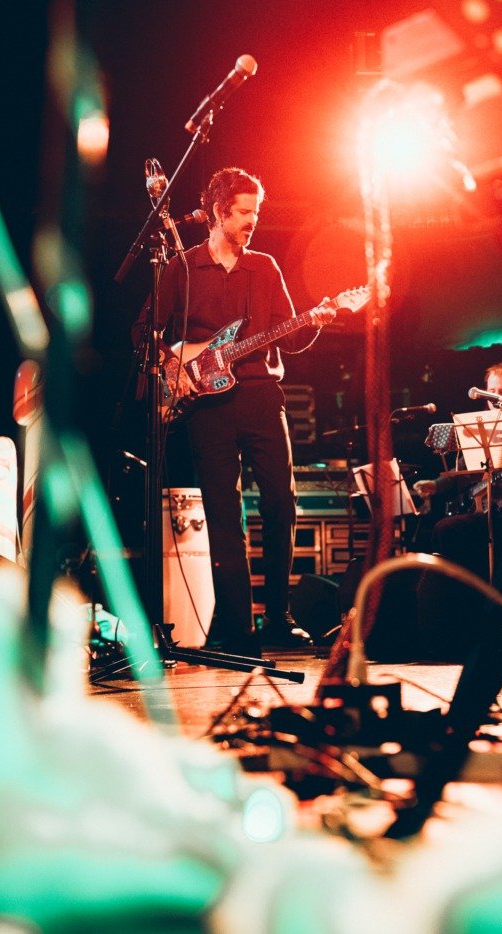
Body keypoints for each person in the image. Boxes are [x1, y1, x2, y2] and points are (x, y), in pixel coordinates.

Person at [133, 167, 336, 654]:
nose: (253, 221)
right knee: (224, 513)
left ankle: (279, 618)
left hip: (262, 397)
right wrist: (176, 361)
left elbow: (291, 330)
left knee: (281, 505)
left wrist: (317, 320)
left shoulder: (264, 268)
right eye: (244, 212)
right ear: (219, 211)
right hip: (208, 407)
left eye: (256, 212)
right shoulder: (182, 267)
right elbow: (144, 329)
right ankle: (235, 626)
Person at [412, 363, 502, 659]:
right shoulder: (476, 429)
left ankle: (474, 619)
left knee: (448, 531)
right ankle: (459, 622)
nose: (496, 399)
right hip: (483, 512)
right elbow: (463, 475)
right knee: (443, 531)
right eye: (491, 394)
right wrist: (434, 486)